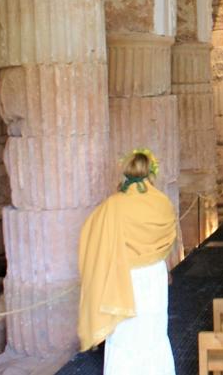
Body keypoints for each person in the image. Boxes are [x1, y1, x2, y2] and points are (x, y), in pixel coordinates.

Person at [77, 149, 177, 375]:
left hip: (124, 278)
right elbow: (169, 238)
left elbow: (90, 237)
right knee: (154, 332)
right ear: (151, 173)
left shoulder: (113, 205)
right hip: (154, 276)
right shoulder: (162, 202)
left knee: (126, 338)